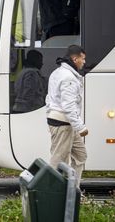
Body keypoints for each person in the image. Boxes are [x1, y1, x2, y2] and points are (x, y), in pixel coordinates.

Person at [46, 45, 88, 188]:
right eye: (82, 59)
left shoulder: (57, 73)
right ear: (74, 58)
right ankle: (48, 192)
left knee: (81, 155)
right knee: (58, 160)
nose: (84, 62)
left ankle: (73, 191)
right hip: (63, 122)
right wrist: (80, 127)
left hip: (65, 122)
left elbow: (49, 98)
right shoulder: (68, 77)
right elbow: (68, 105)